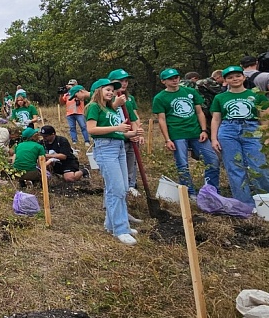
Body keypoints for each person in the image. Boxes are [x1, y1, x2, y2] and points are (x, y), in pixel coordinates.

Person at [210, 66, 269, 207]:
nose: (235, 79)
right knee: (235, 168)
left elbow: (264, 117)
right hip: (228, 131)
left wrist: (268, 137)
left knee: (259, 167)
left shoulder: (256, 95)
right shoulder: (220, 97)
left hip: (252, 129)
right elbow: (216, 119)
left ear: (244, 77)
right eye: (230, 77)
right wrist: (214, 139)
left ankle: (268, 203)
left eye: (238, 76)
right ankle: (244, 205)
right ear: (225, 80)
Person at [152, 68, 221, 198]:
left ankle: (212, 190)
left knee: (212, 160)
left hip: (196, 132)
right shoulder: (160, 98)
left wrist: (204, 130)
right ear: (163, 81)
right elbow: (162, 120)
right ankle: (190, 193)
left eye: (176, 77)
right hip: (177, 134)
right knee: (182, 164)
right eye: (171, 78)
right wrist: (167, 139)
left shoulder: (190, 92)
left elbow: (200, 112)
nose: (174, 80)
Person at [86, 78, 139, 246]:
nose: (111, 92)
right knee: (116, 189)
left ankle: (111, 224)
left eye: (112, 90)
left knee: (120, 188)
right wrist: (117, 129)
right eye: (107, 89)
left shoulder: (110, 109)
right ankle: (120, 229)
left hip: (119, 147)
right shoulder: (93, 107)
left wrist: (128, 134)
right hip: (105, 149)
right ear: (97, 91)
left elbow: (116, 132)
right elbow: (91, 130)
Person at [108, 68, 144, 197]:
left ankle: (131, 185)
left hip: (130, 134)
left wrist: (136, 133)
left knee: (131, 160)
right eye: (120, 81)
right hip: (116, 136)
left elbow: (134, 116)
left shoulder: (129, 99)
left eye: (126, 81)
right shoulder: (108, 98)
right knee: (118, 162)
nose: (124, 84)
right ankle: (121, 185)